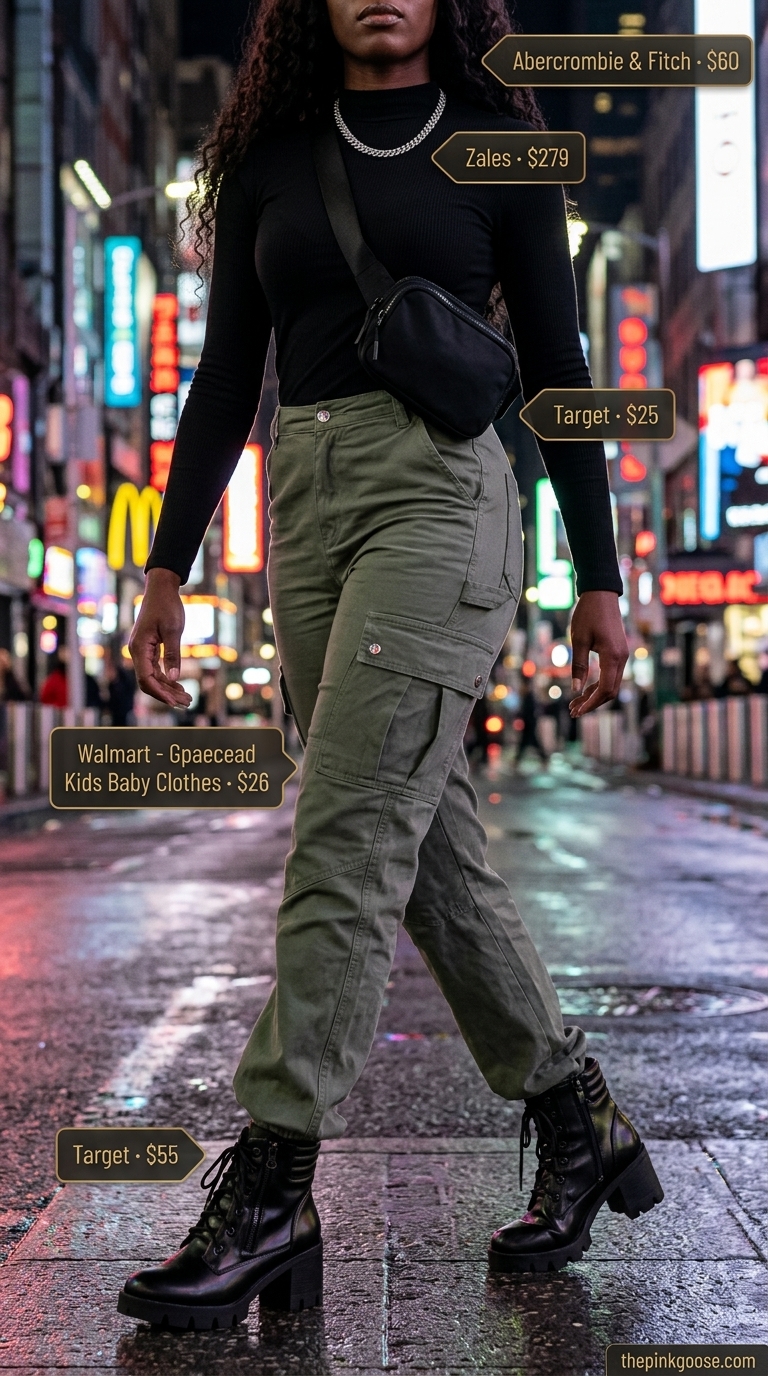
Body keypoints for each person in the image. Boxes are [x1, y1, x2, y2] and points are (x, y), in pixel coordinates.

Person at [121, 0, 663, 1331]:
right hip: (305, 502)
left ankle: (270, 1185)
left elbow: (560, 367)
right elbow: (223, 375)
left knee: (347, 838)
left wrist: (600, 579)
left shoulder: (498, 149)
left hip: (442, 496)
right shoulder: (268, 159)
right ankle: (573, 1114)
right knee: (423, 852)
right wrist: (168, 564)